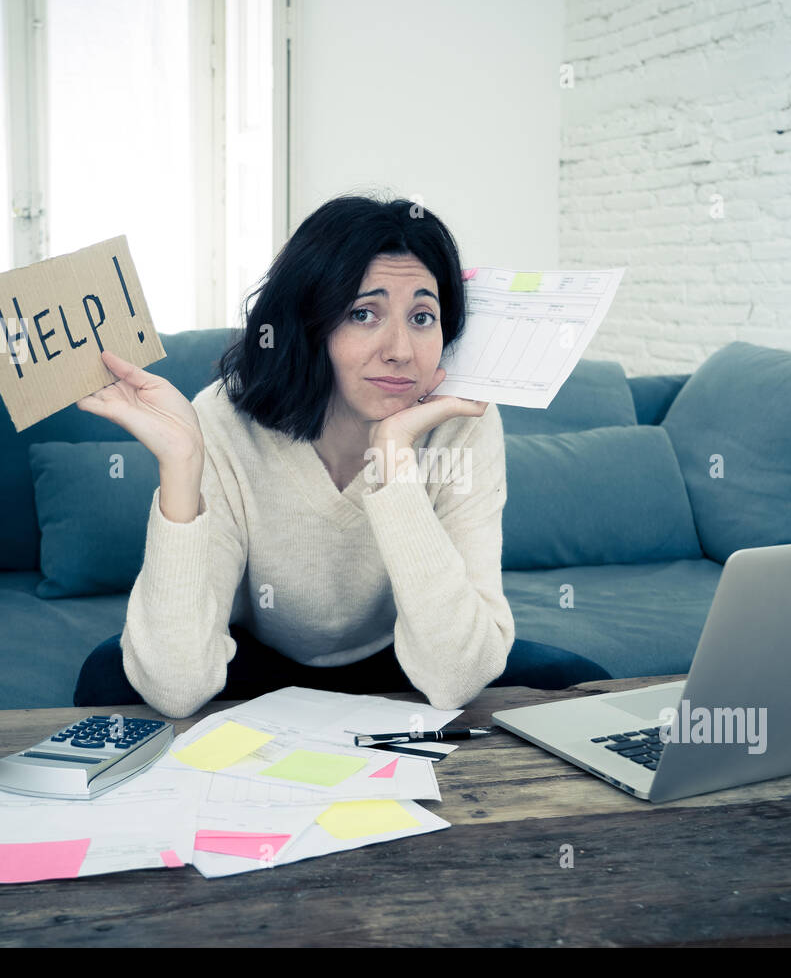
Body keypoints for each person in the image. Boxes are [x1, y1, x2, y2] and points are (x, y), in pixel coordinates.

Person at [73, 195, 610, 717]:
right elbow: (177, 688)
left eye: (422, 316)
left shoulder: (461, 423)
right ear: (309, 324)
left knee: (583, 687)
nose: (400, 350)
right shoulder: (220, 418)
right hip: (256, 660)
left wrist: (394, 460)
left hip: (407, 653)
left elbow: (456, 677)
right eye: (363, 313)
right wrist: (182, 467)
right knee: (110, 673)